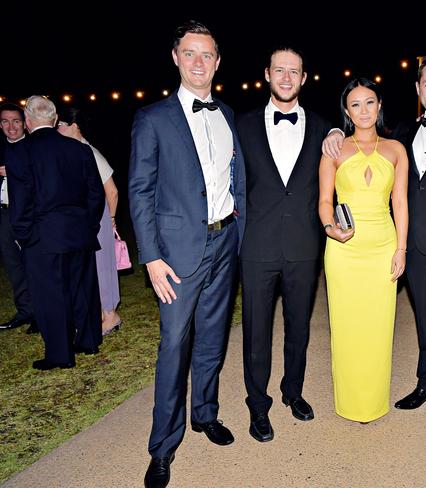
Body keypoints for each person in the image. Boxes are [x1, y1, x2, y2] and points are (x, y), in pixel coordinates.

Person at [323, 58, 426, 447]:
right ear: (417, 89)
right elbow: (362, 139)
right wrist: (333, 129)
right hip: (413, 248)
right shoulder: (404, 132)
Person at [128, 20, 246, 488]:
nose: (200, 63)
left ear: (218, 61)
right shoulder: (152, 118)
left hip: (224, 243)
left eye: (208, 55)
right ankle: (162, 447)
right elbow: (139, 192)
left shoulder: (229, 114)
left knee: (213, 340)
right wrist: (152, 257)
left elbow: (231, 179)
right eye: (190, 53)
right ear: (176, 57)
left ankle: (205, 414)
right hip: (175, 255)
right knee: (174, 346)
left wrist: (239, 229)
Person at [236, 47, 330, 442]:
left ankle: (293, 391)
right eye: (280, 70)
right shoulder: (240, 125)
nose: (287, 78)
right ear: (267, 74)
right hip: (256, 246)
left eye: (294, 71)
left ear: (305, 78)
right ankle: (258, 405)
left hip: (304, 246)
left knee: (299, 327)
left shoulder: (327, 129)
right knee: (256, 331)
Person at [319, 78, 408, 423]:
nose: (364, 110)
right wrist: (331, 228)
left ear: (379, 105)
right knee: (346, 328)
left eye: (369, 102)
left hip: (383, 249)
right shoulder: (334, 150)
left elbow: (400, 203)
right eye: (355, 104)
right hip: (343, 252)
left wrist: (402, 248)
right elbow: (325, 201)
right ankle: (350, 401)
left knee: (378, 328)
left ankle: (372, 402)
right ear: (346, 111)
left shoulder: (396, 149)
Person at [5, 95, 104, 369]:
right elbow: (95, 195)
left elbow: (20, 200)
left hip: (42, 235)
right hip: (79, 231)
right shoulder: (80, 150)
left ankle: (60, 355)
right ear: (53, 117)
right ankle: (88, 341)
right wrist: (88, 224)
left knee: (50, 295)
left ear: (27, 120)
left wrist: (23, 236)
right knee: (82, 289)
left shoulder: (19, 152)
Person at [57, 107, 122, 336]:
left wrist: (111, 219)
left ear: (75, 126)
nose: (57, 129)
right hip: (85, 217)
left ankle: (110, 315)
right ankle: (99, 313)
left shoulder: (89, 152)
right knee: (90, 267)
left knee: (103, 265)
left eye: (61, 125)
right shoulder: (73, 151)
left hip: (99, 217)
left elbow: (112, 191)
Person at [0, 103, 36, 333]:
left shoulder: (33, 147)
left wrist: (12, 171)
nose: (11, 126)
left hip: (28, 215)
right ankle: (25, 311)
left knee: (34, 264)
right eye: (5, 121)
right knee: (13, 265)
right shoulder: (2, 148)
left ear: (24, 123)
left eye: (15, 121)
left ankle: (41, 314)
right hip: (4, 214)